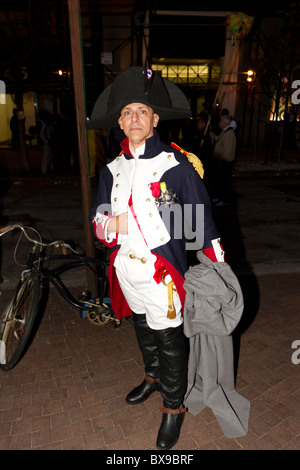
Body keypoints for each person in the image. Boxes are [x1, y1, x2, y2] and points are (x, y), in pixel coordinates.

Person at [87, 67, 224, 450]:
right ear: (119, 121)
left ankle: (173, 407)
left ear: (154, 120)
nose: (134, 118)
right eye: (128, 112)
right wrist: (120, 222)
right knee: (142, 328)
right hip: (126, 269)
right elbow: (97, 225)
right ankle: (153, 377)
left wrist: (219, 269)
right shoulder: (110, 169)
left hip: (163, 273)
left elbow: (199, 223)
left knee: (168, 338)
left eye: (142, 112)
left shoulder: (176, 166)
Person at [210, 114, 237, 206]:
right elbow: (219, 140)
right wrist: (213, 136)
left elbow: (227, 152)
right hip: (221, 161)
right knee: (220, 181)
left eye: (221, 122)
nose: (219, 124)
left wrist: (220, 158)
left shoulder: (229, 134)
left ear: (225, 123)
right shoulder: (225, 131)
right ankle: (220, 197)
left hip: (224, 163)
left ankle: (224, 200)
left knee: (224, 182)